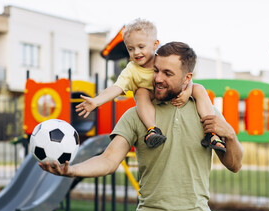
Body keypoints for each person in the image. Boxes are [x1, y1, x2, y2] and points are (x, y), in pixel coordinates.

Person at [40, 41, 243, 211]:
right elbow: (108, 159)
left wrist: (230, 135)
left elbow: (234, 165)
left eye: (168, 73)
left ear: (187, 78)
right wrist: (73, 170)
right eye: (156, 70)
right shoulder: (135, 114)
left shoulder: (207, 112)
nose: (158, 78)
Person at [75, 18, 226, 151]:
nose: (136, 52)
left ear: (155, 44)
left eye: (141, 47)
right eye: (131, 49)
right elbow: (116, 88)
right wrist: (96, 101)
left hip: (172, 93)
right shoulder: (132, 70)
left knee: (199, 88)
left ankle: (211, 134)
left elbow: (183, 74)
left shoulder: (162, 59)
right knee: (141, 91)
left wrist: (187, 91)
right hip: (152, 98)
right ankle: (152, 130)